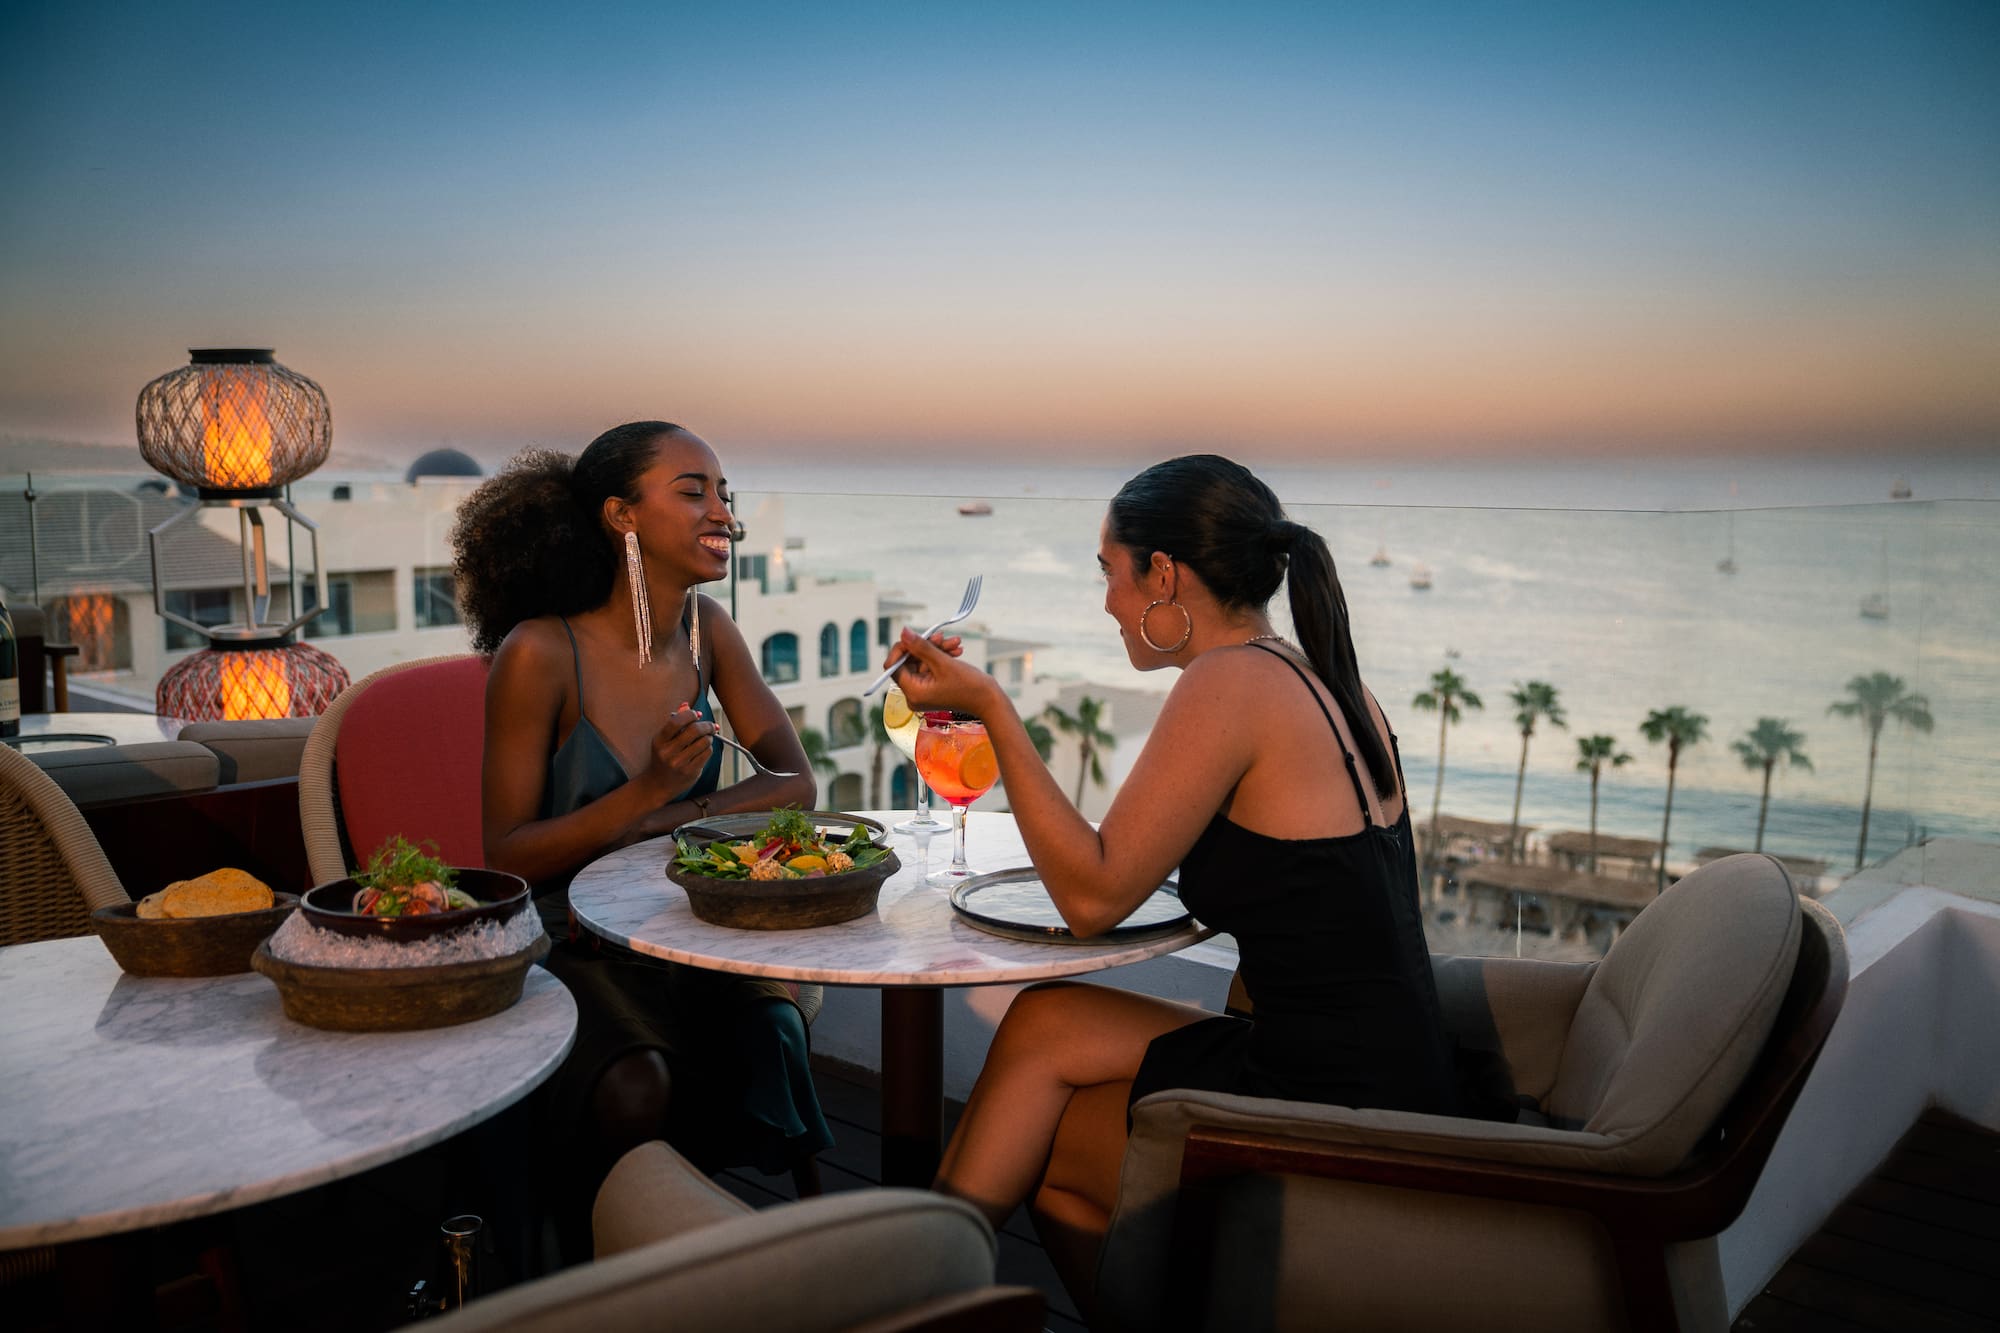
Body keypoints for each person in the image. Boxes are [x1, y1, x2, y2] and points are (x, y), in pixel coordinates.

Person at [887, 454, 1460, 1315]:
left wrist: (994, 712)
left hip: (1335, 1104)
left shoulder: (1228, 684)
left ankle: (910, 1297)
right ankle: (916, 1286)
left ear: (1164, 575)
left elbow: (1091, 899)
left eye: (1109, 574)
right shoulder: (1317, 673)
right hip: (1389, 1064)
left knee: (1045, 1152)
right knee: (1046, 1020)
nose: (1108, 602)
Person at [451, 421, 833, 1247]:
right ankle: (617, 1262)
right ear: (621, 515)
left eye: (724, 494)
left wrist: (670, 814)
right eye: (693, 491)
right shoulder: (540, 652)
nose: (723, 512)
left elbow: (795, 783)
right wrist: (651, 790)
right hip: (566, 938)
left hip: (680, 926)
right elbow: (508, 854)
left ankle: (804, 1257)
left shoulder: (708, 632)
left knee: (772, 1031)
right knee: (637, 1080)